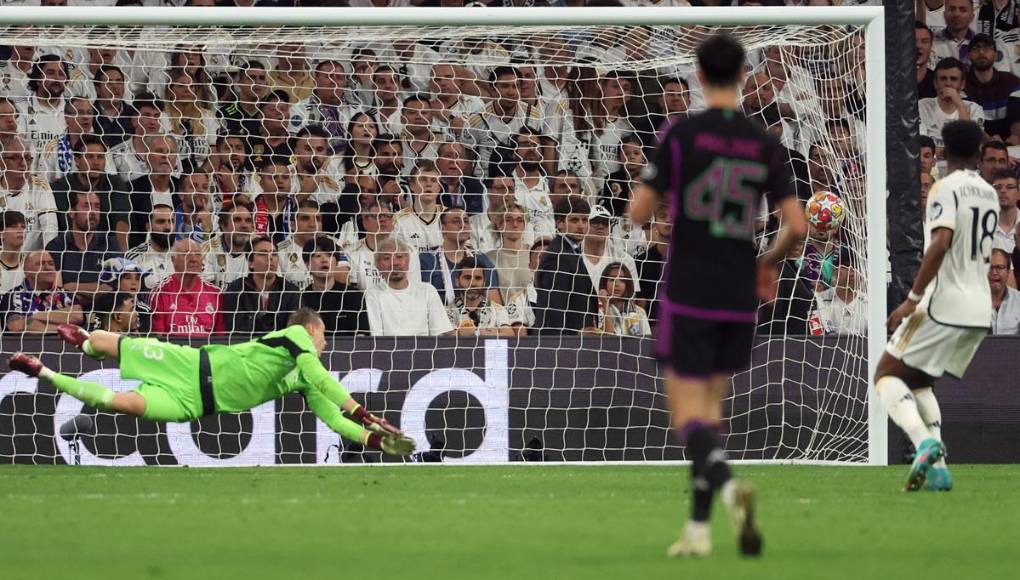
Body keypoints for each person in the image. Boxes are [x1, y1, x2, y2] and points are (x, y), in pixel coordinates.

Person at [629, 33, 807, 558]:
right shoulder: (765, 143)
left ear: (699, 77)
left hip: (688, 286)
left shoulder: (681, 133)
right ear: (744, 76)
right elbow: (796, 225)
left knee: (686, 415)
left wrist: (658, 197)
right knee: (711, 411)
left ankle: (730, 490)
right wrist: (766, 264)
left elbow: (639, 212)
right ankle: (699, 531)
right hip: (737, 288)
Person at [9, 308, 415, 457]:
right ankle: (85, 342)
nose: (326, 342)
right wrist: (365, 413)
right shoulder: (294, 340)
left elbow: (333, 418)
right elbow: (321, 378)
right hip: (189, 364)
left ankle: (43, 372)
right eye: (323, 334)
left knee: (125, 405)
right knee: (105, 342)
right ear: (310, 330)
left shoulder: (306, 377)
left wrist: (375, 440)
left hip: (195, 402)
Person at [881, 120, 998, 494]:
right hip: (980, 308)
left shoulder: (944, 188)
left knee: (886, 375)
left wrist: (911, 300)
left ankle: (924, 443)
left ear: (943, 153)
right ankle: (939, 470)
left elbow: (940, 243)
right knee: (919, 381)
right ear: (979, 154)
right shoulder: (989, 192)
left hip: (943, 302)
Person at [533, 196, 599, 335]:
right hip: (564, 345)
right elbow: (554, 310)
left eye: (585, 220)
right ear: (559, 223)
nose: (581, 225)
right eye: (574, 220)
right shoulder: (557, 257)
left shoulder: (569, 251)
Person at [364, 237, 455, 337]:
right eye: (387, 258)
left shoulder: (427, 291)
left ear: (408, 262)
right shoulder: (372, 294)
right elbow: (376, 337)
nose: (394, 263)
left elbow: (441, 332)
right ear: (377, 265)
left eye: (399, 257)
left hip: (424, 350)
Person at [223, 236, 301, 337]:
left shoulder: (291, 291)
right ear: (250, 263)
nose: (270, 258)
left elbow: (295, 331)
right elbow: (236, 329)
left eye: (274, 254)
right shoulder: (236, 290)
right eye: (263, 253)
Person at [151, 238, 224, 337]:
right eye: (186, 254)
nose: (193, 259)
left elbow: (221, 340)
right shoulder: (160, 293)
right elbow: (157, 340)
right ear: (173, 260)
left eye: (198, 255)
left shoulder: (216, 294)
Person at [1, 249, 83, 333]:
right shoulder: (13, 295)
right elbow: (16, 326)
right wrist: (64, 328)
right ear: (27, 271)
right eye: (40, 264)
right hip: (27, 345)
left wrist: (35, 316)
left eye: (51, 264)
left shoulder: (65, 294)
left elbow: (77, 316)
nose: (48, 268)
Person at [301, 236, 367, 336]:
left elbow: (362, 336)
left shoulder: (353, 296)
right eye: (318, 256)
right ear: (307, 265)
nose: (324, 260)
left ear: (336, 263)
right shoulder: (301, 300)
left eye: (329, 255)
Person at [918, 58, 985, 148]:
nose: (948, 83)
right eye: (943, 78)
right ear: (935, 83)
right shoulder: (922, 106)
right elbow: (923, 147)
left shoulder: (974, 109)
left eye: (953, 79)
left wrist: (959, 104)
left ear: (962, 84)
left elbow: (971, 144)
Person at [596, 262, 651, 337]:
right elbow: (607, 340)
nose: (617, 284)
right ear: (604, 283)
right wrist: (605, 304)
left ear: (627, 284)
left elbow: (646, 342)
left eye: (622, 280)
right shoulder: (597, 311)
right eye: (612, 279)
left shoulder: (640, 312)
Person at [989, 248, 1020, 334]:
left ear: (1008, 272)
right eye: (989, 267)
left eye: (1000, 267)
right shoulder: (970, 302)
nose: (994, 272)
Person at [0, 210, 27, 294]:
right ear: (1, 233)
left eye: (23, 227)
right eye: (14, 226)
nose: (20, 230)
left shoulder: (31, 263)